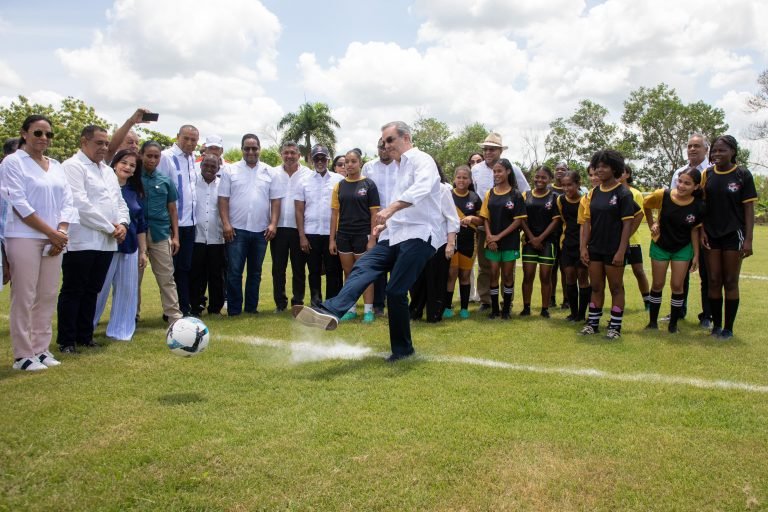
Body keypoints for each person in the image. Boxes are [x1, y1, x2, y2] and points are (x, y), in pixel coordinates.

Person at [293, 121, 442, 362]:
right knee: (364, 265)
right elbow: (403, 206)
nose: (386, 145)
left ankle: (403, 351)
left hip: (420, 234)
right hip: (395, 234)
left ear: (406, 138)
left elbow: (422, 189)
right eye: (383, 142)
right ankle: (331, 310)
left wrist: (391, 209)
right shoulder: (399, 168)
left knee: (395, 291)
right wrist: (386, 225)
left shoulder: (421, 159)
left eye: (390, 140)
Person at [1, 115, 77, 370]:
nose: (44, 139)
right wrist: (51, 233)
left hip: (55, 238)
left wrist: (61, 231)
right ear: (24, 134)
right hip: (23, 235)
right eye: (38, 133)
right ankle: (23, 354)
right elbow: (19, 203)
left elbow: (68, 201)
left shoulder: (55, 165)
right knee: (25, 295)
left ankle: (41, 349)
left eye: (48, 134)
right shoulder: (13, 163)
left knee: (47, 294)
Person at [57, 125, 129, 353]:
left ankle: (84, 335)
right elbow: (80, 204)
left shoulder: (107, 171)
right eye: (99, 143)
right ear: (84, 142)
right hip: (83, 240)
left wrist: (123, 224)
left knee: (93, 289)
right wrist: (110, 227)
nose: (104, 147)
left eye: (106, 143)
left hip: (106, 242)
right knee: (74, 289)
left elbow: (119, 202)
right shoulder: (72, 166)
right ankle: (67, 340)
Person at [218, 133, 285, 316]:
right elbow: (223, 199)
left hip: (261, 231)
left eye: (254, 148)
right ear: (242, 149)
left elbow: (276, 201)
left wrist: (273, 224)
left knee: (255, 273)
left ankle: (251, 308)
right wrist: (226, 224)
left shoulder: (269, 172)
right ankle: (234, 309)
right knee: (234, 272)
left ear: (259, 149)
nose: (251, 151)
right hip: (236, 230)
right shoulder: (230, 171)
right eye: (247, 148)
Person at [701, 135, 757, 339]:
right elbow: (703, 206)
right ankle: (716, 326)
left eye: (722, 150)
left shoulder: (743, 174)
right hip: (712, 234)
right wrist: (702, 230)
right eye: (714, 150)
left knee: (730, 280)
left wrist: (748, 239)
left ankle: (728, 328)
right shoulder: (707, 174)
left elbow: (749, 209)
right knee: (714, 280)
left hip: (734, 234)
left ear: (733, 151)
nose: (717, 154)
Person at [579, 150, 638, 339]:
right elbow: (587, 223)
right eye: (597, 166)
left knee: (616, 287)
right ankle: (593, 324)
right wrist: (583, 247)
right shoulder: (593, 194)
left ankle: (615, 327)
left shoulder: (623, 193)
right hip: (595, 248)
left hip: (614, 249)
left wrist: (621, 250)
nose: (599, 170)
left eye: (604, 166)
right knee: (596, 286)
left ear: (614, 168)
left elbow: (628, 223)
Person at [472, 133, 530, 312]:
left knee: (507, 268)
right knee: (485, 265)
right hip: (485, 225)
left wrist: (516, 214)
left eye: (492, 149)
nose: (488, 152)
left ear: (500, 151)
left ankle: (507, 301)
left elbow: (525, 192)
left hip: (508, 225)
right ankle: (486, 300)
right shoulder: (476, 170)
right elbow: (474, 195)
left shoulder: (513, 168)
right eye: (486, 149)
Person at [93, 149, 148, 340]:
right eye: (124, 162)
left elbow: (141, 224)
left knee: (127, 291)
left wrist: (143, 251)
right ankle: (87, 325)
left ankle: (120, 330)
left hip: (130, 247)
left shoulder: (136, 192)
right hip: (105, 245)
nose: (128, 167)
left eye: (132, 165)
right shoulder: (103, 188)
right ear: (115, 164)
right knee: (99, 289)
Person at [643, 167, 704, 333]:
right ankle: (653, 323)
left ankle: (673, 325)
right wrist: (653, 224)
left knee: (677, 285)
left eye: (687, 183)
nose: (682, 185)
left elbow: (694, 230)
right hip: (660, 245)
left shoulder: (699, 205)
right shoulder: (662, 194)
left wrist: (696, 255)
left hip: (682, 248)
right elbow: (645, 205)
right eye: (680, 181)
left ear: (696, 187)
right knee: (657, 283)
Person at [665, 134, 711, 326]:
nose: (692, 149)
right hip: (683, 231)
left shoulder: (711, 172)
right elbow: (672, 202)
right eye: (690, 145)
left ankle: (707, 316)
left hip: (706, 230)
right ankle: (678, 311)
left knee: (707, 274)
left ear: (705, 149)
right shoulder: (679, 172)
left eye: (697, 146)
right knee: (680, 274)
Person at [329, 149, 380, 322]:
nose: (349, 165)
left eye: (352, 161)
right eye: (346, 163)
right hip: (343, 235)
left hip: (363, 235)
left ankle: (368, 311)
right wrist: (332, 239)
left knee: (364, 273)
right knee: (348, 272)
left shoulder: (369, 185)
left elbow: (375, 214)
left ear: (360, 163)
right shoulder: (339, 185)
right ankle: (350, 309)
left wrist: (372, 238)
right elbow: (334, 214)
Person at [138, 141, 183, 323]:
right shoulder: (134, 178)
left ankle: (174, 316)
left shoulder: (165, 180)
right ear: (141, 155)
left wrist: (176, 237)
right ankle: (132, 315)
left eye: (156, 156)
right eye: (149, 155)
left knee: (166, 277)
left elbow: (173, 210)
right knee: (134, 278)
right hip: (137, 233)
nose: (152, 159)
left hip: (160, 232)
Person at [158, 124, 200, 316]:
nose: (190, 143)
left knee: (184, 269)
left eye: (194, 140)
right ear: (177, 137)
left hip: (190, 224)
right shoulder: (167, 157)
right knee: (170, 271)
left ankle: (183, 307)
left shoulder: (192, 159)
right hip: (173, 224)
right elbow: (162, 191)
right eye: (186, 138)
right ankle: (173, 310)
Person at [295, 145, 344, 307]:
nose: (320, 161)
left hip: (332, 234)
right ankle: (316, 302)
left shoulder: (338, 180)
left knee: (333, 271)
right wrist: (302, 236)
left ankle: (332, 304)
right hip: (311, 233)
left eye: (323, 158)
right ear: (311, 160)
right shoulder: (303, 181)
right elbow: (299, 210)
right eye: (317, 158)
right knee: (314, 270)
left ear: (328, 160)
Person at [409, 166, 459, 322]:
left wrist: (451, 244)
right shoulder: (412, 189)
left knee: (436, 280)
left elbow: (452, 218)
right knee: (416, 280)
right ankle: (415, 312)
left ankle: (434, 314)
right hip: (417, 241)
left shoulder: (442, 190)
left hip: (439, 242)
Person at [271, 141, 312, 312]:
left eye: (293, 153)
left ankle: (297, 302)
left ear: (299, 155)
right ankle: (280, 303)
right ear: (281, 154)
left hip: (299, 229)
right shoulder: (273, 173)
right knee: (278, 268)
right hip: (278, 228)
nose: (289, 156)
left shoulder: (308, 174)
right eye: (286, 152)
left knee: (298, 268)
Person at [363, 138, 399, 315]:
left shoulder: (401, 165)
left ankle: (396, 303)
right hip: (375, 222)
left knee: (398, 264)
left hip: (399, 221)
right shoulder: (368, 167)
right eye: (380, 147)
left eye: (386, 146)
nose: (384, 150)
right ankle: (378, 304)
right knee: (378, 263)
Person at [520, 166, 561, 317]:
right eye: (537, 177)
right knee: (528, 275)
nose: (539, 180)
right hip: (529, 242)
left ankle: (545, 309)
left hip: (548, 242)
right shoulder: (526, 195)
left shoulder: (555, 197)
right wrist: (531, 238)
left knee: (545, 276)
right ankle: (526, 308)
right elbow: (522, 219)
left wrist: (540, 238)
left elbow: (556, 221)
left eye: (543, 177)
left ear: (549, 179)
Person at [444, 165, 483, 319]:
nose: (461, 180)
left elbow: (482, 220)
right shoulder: (447, 195)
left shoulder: (474, 198)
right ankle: (447, 307)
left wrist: (472, 218)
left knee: (465, 275)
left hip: (469, 241)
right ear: (454, 179)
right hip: (451, 241)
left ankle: (464, 308)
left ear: (470, 180)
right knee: (451, 274)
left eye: (464, 178)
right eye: (459, 177)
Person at [190, 154, 226, 317]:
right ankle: (196, 306)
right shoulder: (193, 183)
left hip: (216, 237)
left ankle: (215, 308)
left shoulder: (223, 185)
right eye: (206, 165)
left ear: (218, 168)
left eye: (213, 166)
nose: (210, 169)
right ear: (201, 165)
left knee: (216, 276)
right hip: (197, 237)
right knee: (196, 274)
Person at [557, 170, 590, 322]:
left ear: (578, 184)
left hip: (583, 245)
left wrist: (586, 245)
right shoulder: (561, 200)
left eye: (570, 185)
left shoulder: (586, 200)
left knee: (582, 278)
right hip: (567, 244)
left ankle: (582, 314)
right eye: (563, 185)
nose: (566, 189)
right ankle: (573, 312)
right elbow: (563, 221)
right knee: (569, 276)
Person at [619, 164, 650, 310]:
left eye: (622, 172)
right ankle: (620, 304)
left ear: (628, 174)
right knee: (617, 274)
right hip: (616, 242)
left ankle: (647, 301)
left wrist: (626, 237)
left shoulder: (635, 193)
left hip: (632, 241)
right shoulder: (612, 192)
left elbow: (638, 216)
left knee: (638, 271)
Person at [550, 161, 568, 309]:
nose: (560, 171)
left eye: (563, 169)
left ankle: (567, 299)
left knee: (565, 269)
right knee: (551, 269)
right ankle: (551, 298)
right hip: (551, 235)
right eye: (557, 169)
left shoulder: (571, 190)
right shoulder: (549, 189)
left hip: (567, 235)